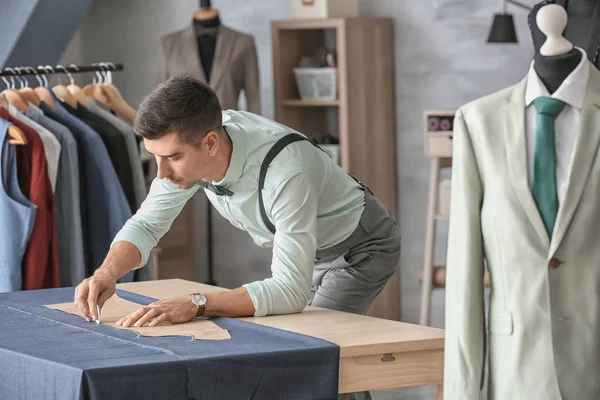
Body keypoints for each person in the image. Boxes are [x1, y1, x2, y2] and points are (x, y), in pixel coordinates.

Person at [74, 75, 400, 330]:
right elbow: (146, 225)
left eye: (172, 157)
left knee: (317, 352)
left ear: (211, 143)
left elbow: (289, 290)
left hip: (360, 248)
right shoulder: (189, 151)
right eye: (155, 156)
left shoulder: (284, 173)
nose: (161, 172)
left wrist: (197, 302)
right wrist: (106, 273)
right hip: (311, 249)